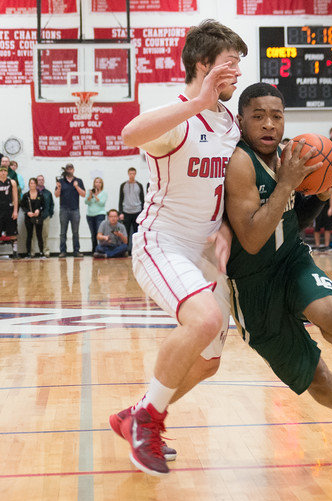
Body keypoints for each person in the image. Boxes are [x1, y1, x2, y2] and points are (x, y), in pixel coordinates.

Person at [108, 19, 247, 476]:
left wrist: (227, 226)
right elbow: (129, 134)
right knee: (204, 319)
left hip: (205, 253)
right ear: (203, 65)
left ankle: (137, 414)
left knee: (208, 362)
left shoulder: (229, 122)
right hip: (161, 241)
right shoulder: (177, 116)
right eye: (229, 64)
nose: (237, 73)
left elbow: (230, 187)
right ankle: (148, 422)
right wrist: (200, 102)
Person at [225, 82, 332, 454]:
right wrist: (288, 184)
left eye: (276, 115)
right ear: (241, 122)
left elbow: (290, 219)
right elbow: (253, 239)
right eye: (258, 117)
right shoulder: (240, 163)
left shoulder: (292, 154)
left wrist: (319, 196)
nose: (269, 124)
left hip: (290, 260)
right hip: (253, 285)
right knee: (314, 376)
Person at [54, 163, 85, 258]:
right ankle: (63, 251)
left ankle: (76, 251)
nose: (69, 170)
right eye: (68, 169)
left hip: (75, 209)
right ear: (65, 170)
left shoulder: (78, 180)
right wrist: (58, 187)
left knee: (75, 232)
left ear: (73, 170)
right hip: (64, 209)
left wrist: (76, 186)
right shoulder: (61, 181)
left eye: (71, 169)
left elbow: (83, 194)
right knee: (63, 232)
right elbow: (56, 195)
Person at [0, 166, 19, 259]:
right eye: (1, 171)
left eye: (5, 171)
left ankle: (15, 252)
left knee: (12, 232)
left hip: (9, 209)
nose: (3, 172)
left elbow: (15, 198)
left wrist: (15, 211)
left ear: (7, 173)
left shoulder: (12, 182)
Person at [118, 167, 145, 254]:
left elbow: (142, 199)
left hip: (137, 211)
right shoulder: (123, 185)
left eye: (133, 174)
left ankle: (137, 250)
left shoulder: (139, 185)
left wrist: (143, 212)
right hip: (126, 211)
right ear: (128, 174)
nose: (132, 175)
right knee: (126, 232)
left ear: (135, 174)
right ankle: (126, 251)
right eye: (130, 174)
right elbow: (121, 199)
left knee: (137, 232)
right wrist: (120, 212)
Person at [21, 177, 45, 258]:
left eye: (34, 183)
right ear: (29, 184)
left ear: (36, 184)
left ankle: (42, 252)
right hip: (29, 218)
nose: (33, 185)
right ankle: (28, 253)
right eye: (31, 183)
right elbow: (23, 206)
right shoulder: (26, 195)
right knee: (29, 235)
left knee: (39, 235)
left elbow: (43, 205)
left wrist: (39, 210)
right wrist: (28, 212)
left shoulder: (40, 195)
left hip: (38, 217)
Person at [85, 176, 107, 253]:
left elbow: (101, 203)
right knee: (93, 234)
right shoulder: (90, 192)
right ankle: (94, 250)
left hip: (100, 214)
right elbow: (86, 202)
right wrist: (91, 195)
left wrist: (96, 195)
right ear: (94, 183)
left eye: (99, 182)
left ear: (101, 184)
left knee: (99, 233)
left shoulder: (104, 193)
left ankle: (101, 249)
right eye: (96, 182)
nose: (97, 184)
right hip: (90, 215)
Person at [34, 175, 54, 256]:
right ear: (36, 181)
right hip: (35, 217)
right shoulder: (33, 192)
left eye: (42, 180)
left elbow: (51, 204)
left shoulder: (48, 193)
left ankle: (46, 251)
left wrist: (49, 214)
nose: (41, 181)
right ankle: (32, 252)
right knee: (33, 235)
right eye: (39, 180)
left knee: (45, 235)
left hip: (45, 216)